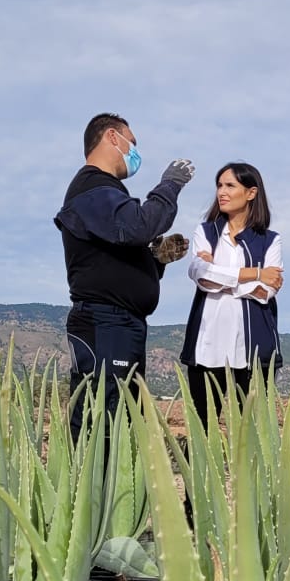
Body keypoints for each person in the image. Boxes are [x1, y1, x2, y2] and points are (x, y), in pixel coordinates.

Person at [55, 113, 195, 439]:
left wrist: (154, 260)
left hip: (121, 325)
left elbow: (115, 254)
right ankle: (95, 489)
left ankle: (109, 487)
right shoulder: (92, 188)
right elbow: (137, 226)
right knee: (103, 422)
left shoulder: (106, 195)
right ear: (112, 138)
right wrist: (169, 185)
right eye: (133, 142)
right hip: (106, 326)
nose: (135, 151)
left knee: (121, 421)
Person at [179, 163, 285, 419]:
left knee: (253, 430)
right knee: (202, 428)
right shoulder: (205, 232)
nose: (221, 192)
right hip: (207, 347)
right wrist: (256, 273)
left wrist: (219, 275)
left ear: (251, 193)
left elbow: (266, 292)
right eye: (219, 185)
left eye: (230, 186)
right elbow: (201, 276)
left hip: (253, 351)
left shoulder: (271, 240)